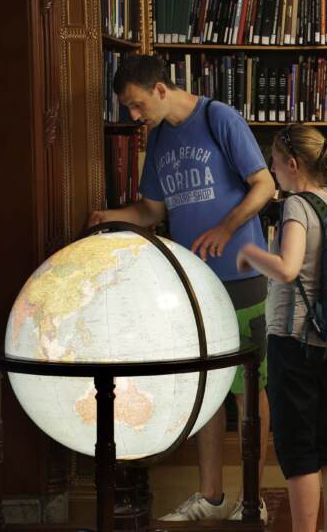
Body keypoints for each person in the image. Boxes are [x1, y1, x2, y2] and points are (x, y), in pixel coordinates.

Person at [88, 54, 272, 523]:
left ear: (160, 89)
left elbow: (264, 185)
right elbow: (152, 213)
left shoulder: (219, 118)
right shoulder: (160, 140)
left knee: (248, 390)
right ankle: (210, 497)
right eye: (127, 108)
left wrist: (227, 229)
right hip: (195, 282)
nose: (133, 116)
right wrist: (108, 217)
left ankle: (253, 497)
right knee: (206, 389)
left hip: (242, 276)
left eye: (135, 104)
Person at [236, 123, 327, 532]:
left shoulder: (297, 206)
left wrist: (251, 254)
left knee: (299, 450)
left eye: (273, 162)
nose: (270, 170)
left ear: (292, 163)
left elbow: (286, 268)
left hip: (294, 341)